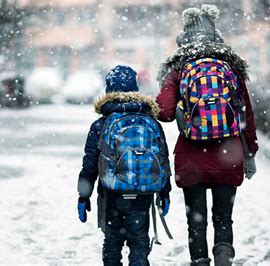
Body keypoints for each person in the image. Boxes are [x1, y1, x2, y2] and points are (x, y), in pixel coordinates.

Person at [155, 4, 259, 266]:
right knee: (223, 217)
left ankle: (200, 261)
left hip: (191, 157)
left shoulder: (179, 68)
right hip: (229, 153)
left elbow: (164, 112)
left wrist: (180, 107)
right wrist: (250, 153)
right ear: (216, 34)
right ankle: (223, 256)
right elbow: (246, 114)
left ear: (185, 37)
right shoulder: (231, 67)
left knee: (196, 220)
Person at [77, 65, 172, 266]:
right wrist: (165, 192)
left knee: (112, 242)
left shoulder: (100, 125)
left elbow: (89, 165)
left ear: (108, 91)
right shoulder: (151, 121)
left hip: (112, 193)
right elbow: (162, 160)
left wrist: (83, 196)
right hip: (142, 195)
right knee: (139, 242)